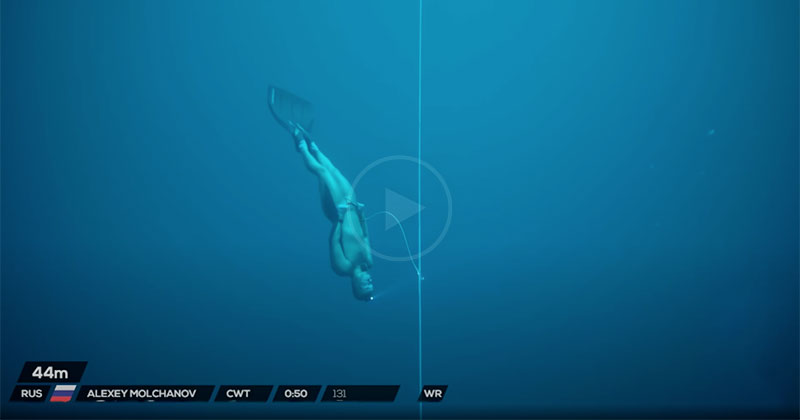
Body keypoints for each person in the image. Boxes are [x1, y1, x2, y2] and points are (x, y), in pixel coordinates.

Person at [291, 126, 374, 301]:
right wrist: (362, 215)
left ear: (356, 286)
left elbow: (334, 242)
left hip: (337, 211)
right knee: (334, 170)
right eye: (371, 284)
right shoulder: (368, 262)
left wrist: (340, 218)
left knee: (323, 173)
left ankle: (301, 145)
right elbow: (365, 237)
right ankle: (314, 146)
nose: (369, 281)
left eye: (365, 286)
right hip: (352, 208)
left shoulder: (343, 267)